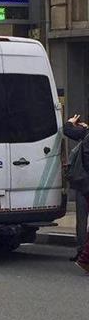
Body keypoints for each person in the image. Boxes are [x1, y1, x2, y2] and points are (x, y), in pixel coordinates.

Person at [64, 114, 89, 270]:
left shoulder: (84, 133)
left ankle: (82, 251)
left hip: (83, 184)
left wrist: (70, 122)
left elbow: (67, 130)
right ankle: (84, 256)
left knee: (82, 219)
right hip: (85, 184)